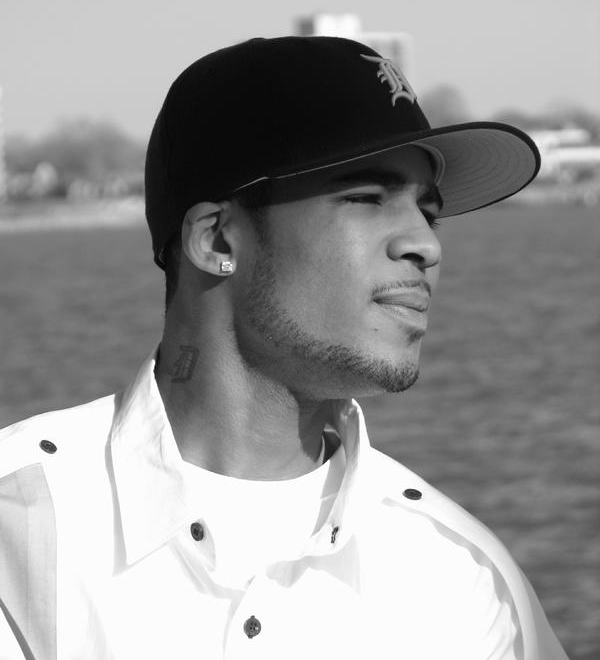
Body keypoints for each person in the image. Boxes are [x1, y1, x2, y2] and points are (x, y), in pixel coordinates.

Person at [0, 36, 568, 660]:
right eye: (365, 198)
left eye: (428, 214)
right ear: (217, 239)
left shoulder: (465, 581)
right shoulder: (18, 529)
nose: (425, 246)